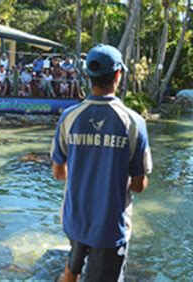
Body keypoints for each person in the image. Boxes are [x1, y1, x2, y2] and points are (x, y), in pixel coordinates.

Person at [50, 44, 152, 281]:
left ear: (88, 76)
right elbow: (138, 185)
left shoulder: (69, 117)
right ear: (118, 75)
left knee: (71, 271)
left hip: (75, 219)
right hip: (110, 226)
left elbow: (58, 172)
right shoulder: (134, 123)